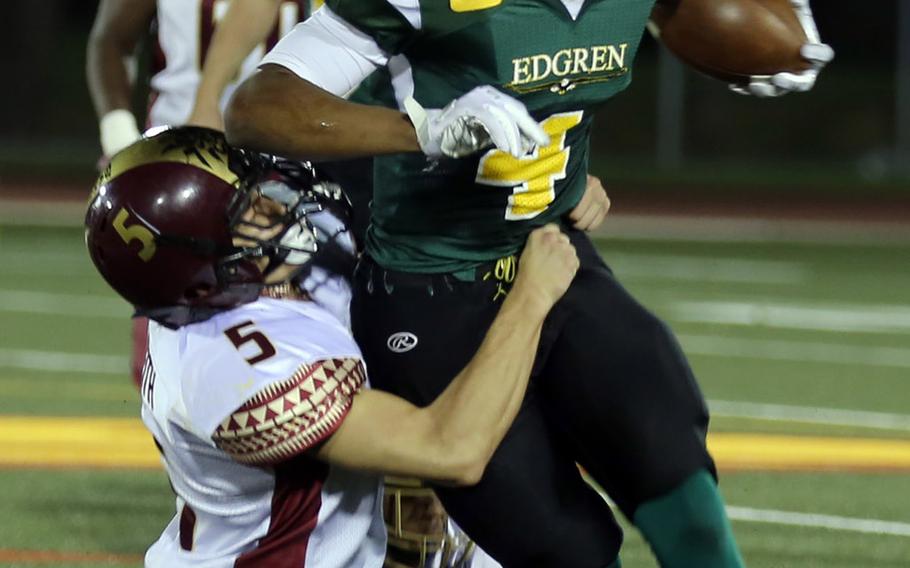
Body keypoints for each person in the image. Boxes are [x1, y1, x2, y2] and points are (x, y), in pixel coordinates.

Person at [223, 1, 833, 566]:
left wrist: (779, 34)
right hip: (429, 288)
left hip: (554, 256)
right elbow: (257, 107)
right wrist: (427, 130)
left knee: (667, 448)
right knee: (561, 546)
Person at [84, 126, 579, 567]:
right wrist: (532, 297)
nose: (274, 204)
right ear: (199, 270)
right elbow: (453, 449)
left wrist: (560, 185)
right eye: (247, 212)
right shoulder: (236, 366)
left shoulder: (239, 289)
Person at [86, 0, 308, 387]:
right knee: (171, 353)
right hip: (179, 170)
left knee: (296, 333)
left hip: (285, 159)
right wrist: (121, 139)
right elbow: (111, 40)